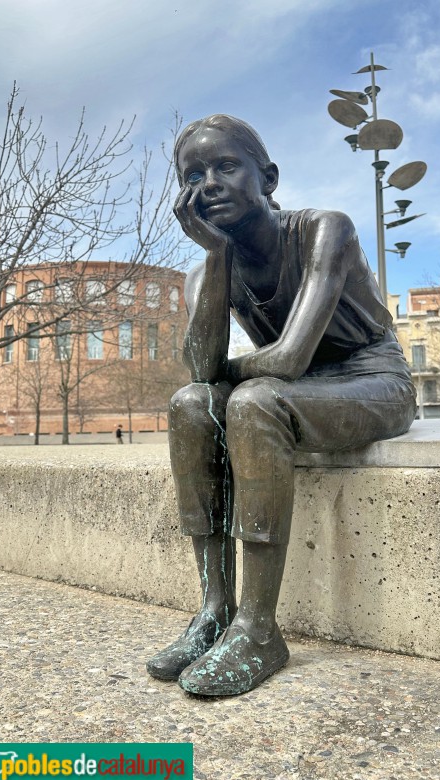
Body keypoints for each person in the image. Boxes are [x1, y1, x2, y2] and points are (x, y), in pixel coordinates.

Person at [146, 114, 416, 696]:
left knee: (251, 404)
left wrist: (233, 376)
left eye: (225, 166)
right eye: (193, 175)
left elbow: (289, 358)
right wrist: (217, 258)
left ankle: (259, 627)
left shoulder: (325, 229)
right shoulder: (205, 272)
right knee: (191, 406)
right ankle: (216, 609)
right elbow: (200, 374)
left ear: (267, 178)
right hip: (294, 388)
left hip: (373, 379)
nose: (208, 183)